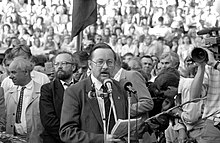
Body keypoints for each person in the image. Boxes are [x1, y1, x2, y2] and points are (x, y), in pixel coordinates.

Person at [59, 43, 128, 142]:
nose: (105, 67)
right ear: (90, 65)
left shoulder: (121, 89)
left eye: (110, 62)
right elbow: (67, 132)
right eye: (100, 62)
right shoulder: (75, 91)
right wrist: (101, 139)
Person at [40, 51, 78, 143]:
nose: (59, 67)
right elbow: (48, 121)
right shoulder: (47, 89)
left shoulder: (82, 87)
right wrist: (69, 137)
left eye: (64, 63)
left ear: (73, 67)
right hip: (55, 139)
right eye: (56, 64)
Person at [5, 57, 43, 142]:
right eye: (9, 72)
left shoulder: (42, 92)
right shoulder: (8, 94)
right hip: (13, 139)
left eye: (13, 72)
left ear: (26, 72)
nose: (10, 76)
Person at [190, 48, 220, 142]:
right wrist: (201, 66)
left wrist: (216, 64)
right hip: (214, 121)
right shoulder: (210, 66)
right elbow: (194, 97)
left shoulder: (215, 64)